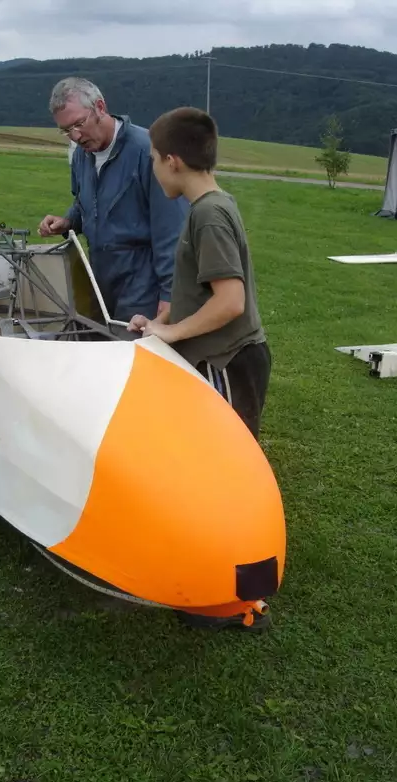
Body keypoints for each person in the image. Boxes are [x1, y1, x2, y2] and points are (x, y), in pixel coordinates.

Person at [128, 106, 272, 632]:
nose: (151, 169)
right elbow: (199, 291)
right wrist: (160, 321)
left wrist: (173, 334)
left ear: (172, 161)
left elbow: (230, 301)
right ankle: (217, 578)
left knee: (226, 476)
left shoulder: (208, 214)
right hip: (222, 357)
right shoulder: (209, 206)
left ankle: (234, 600)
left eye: (152, 159)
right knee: (209, 471)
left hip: (229, 360)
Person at [38, 77, 189, 323]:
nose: (75, 136)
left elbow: (172, 229)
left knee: (132, 346)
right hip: (100, 282)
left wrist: (170, 295)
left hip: (143, 286)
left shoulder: (148, 151)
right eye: (66, 130)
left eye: (79, 123)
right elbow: (87, 201)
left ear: (100, 107)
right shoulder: (81, 155)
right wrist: (69, 221)